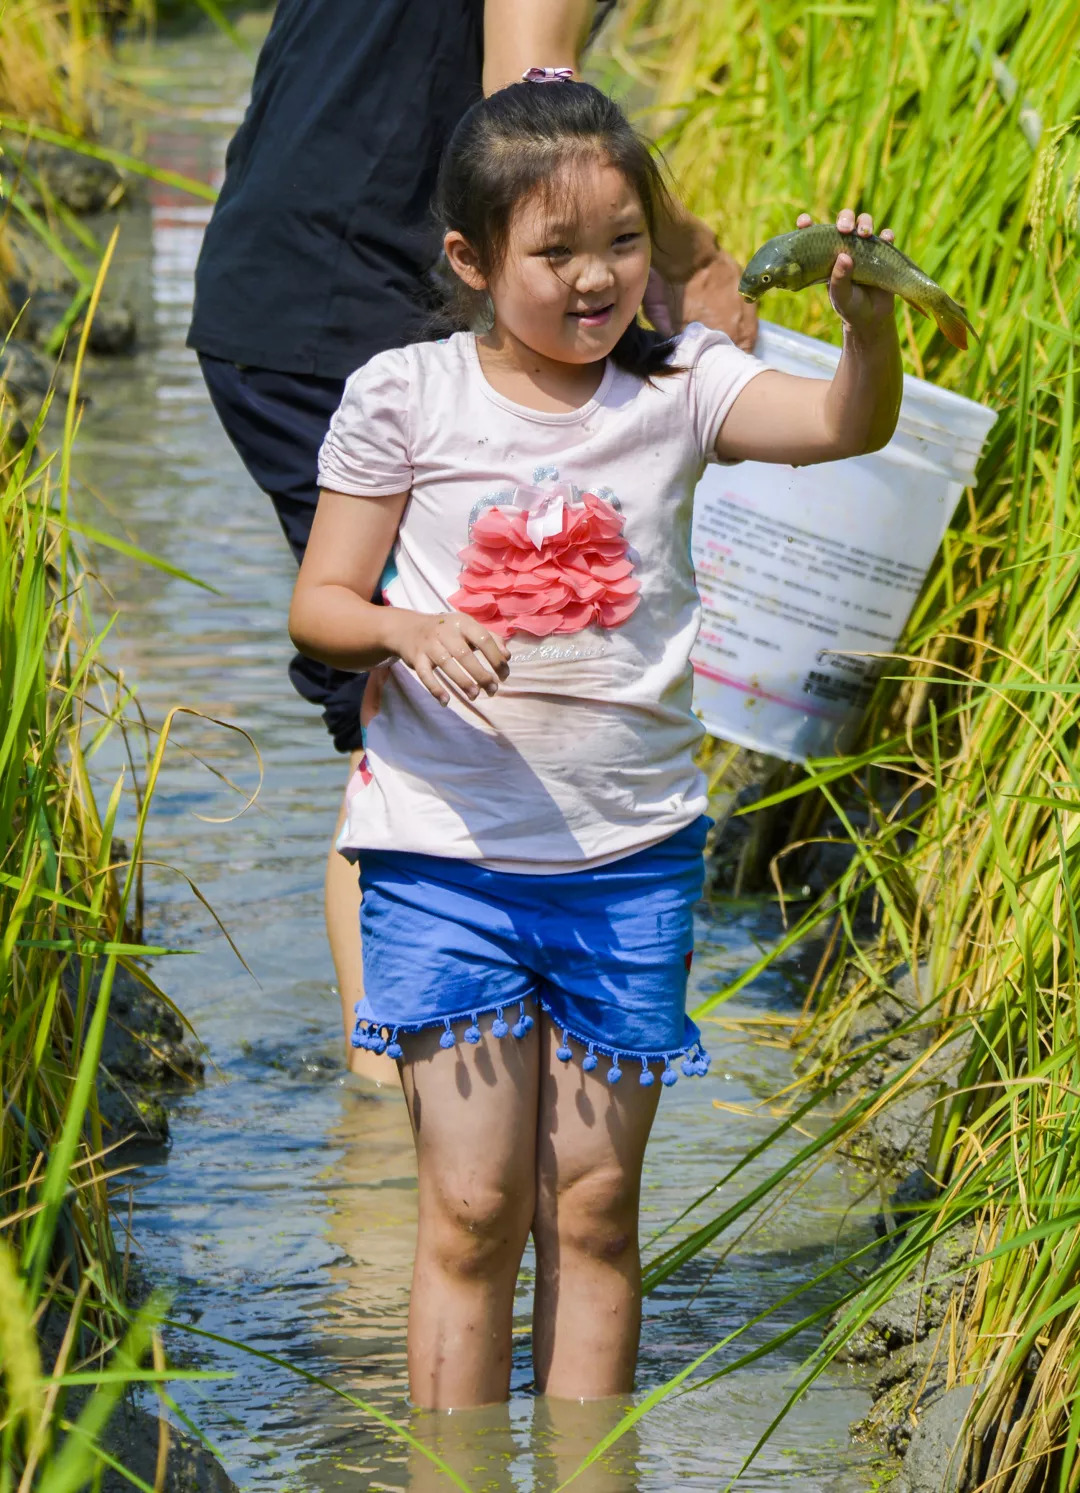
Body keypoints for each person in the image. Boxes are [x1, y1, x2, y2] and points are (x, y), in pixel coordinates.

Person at [288, 76, 902, 1407]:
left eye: (623, 243)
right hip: (443, 856)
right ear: (470, 258)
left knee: (598, 1207)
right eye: (554, 252)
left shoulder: (681, 386)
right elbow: (323, 603)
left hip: (628, 860)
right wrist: (407, 628)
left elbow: (846, 426)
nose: (595, 279)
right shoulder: (410, 393)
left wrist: (865, 333)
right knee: (469, 1207)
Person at [186, 0, 757, 1081]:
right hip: (360, 293)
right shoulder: (408, 379)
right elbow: (531, 85)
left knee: (398, 707)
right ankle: (392, 1105)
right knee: (399, 713)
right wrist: (685, 254)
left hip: (279, 262)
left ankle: (414, 1093)